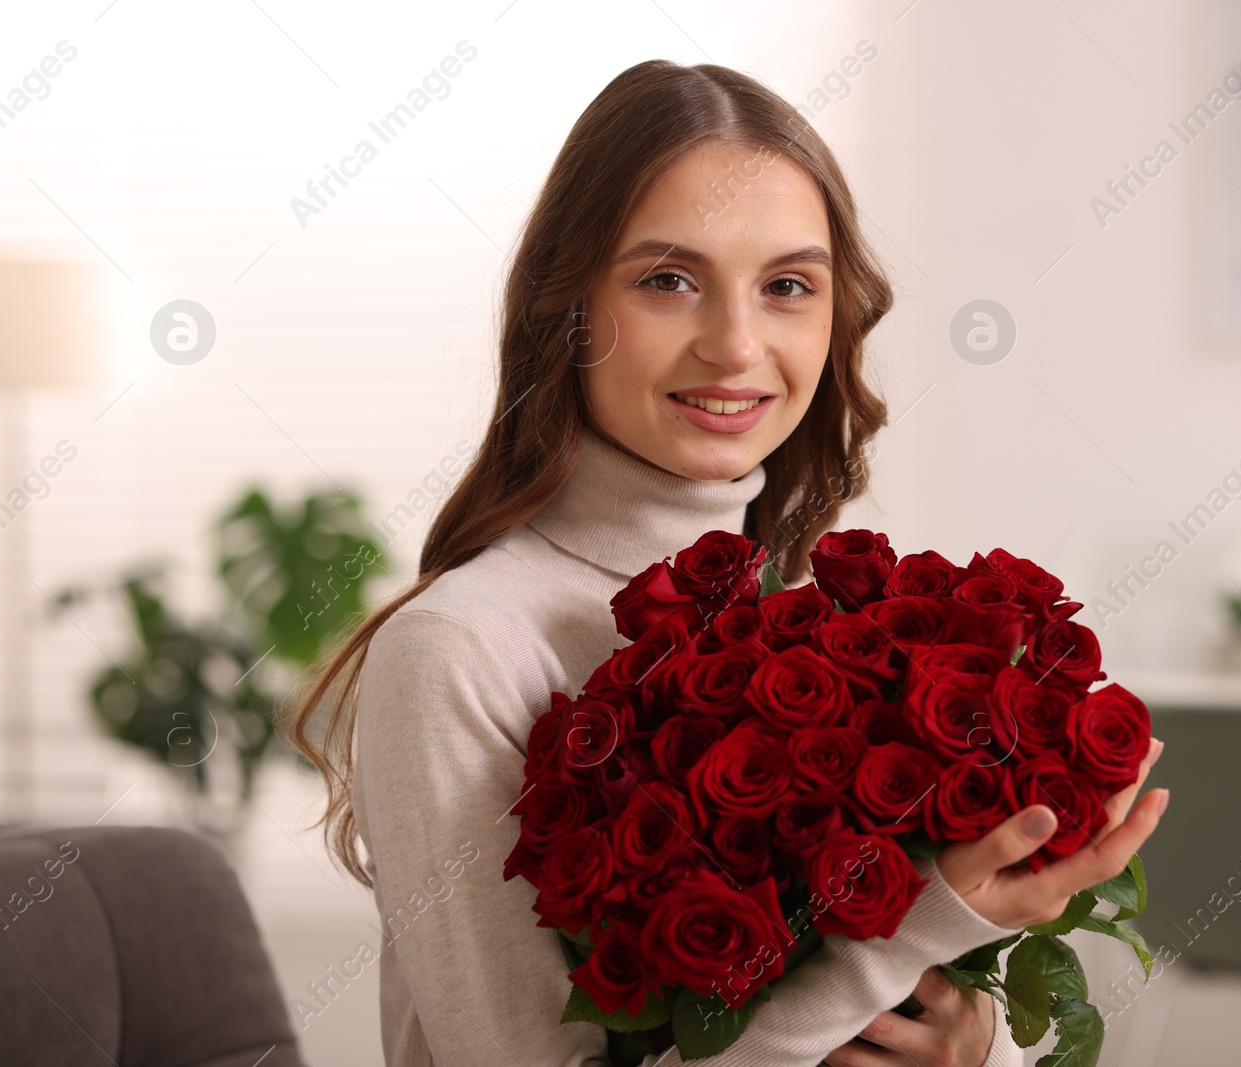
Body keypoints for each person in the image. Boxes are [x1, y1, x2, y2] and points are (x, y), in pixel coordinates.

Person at [286, 59, 1167, 1067]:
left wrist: (969, 1049)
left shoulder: (814, 630)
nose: (736, 343)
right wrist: (926, 927)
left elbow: (874, 999)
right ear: (565, 308)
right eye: (670, 280)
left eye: (787, 285)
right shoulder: (458, 650)